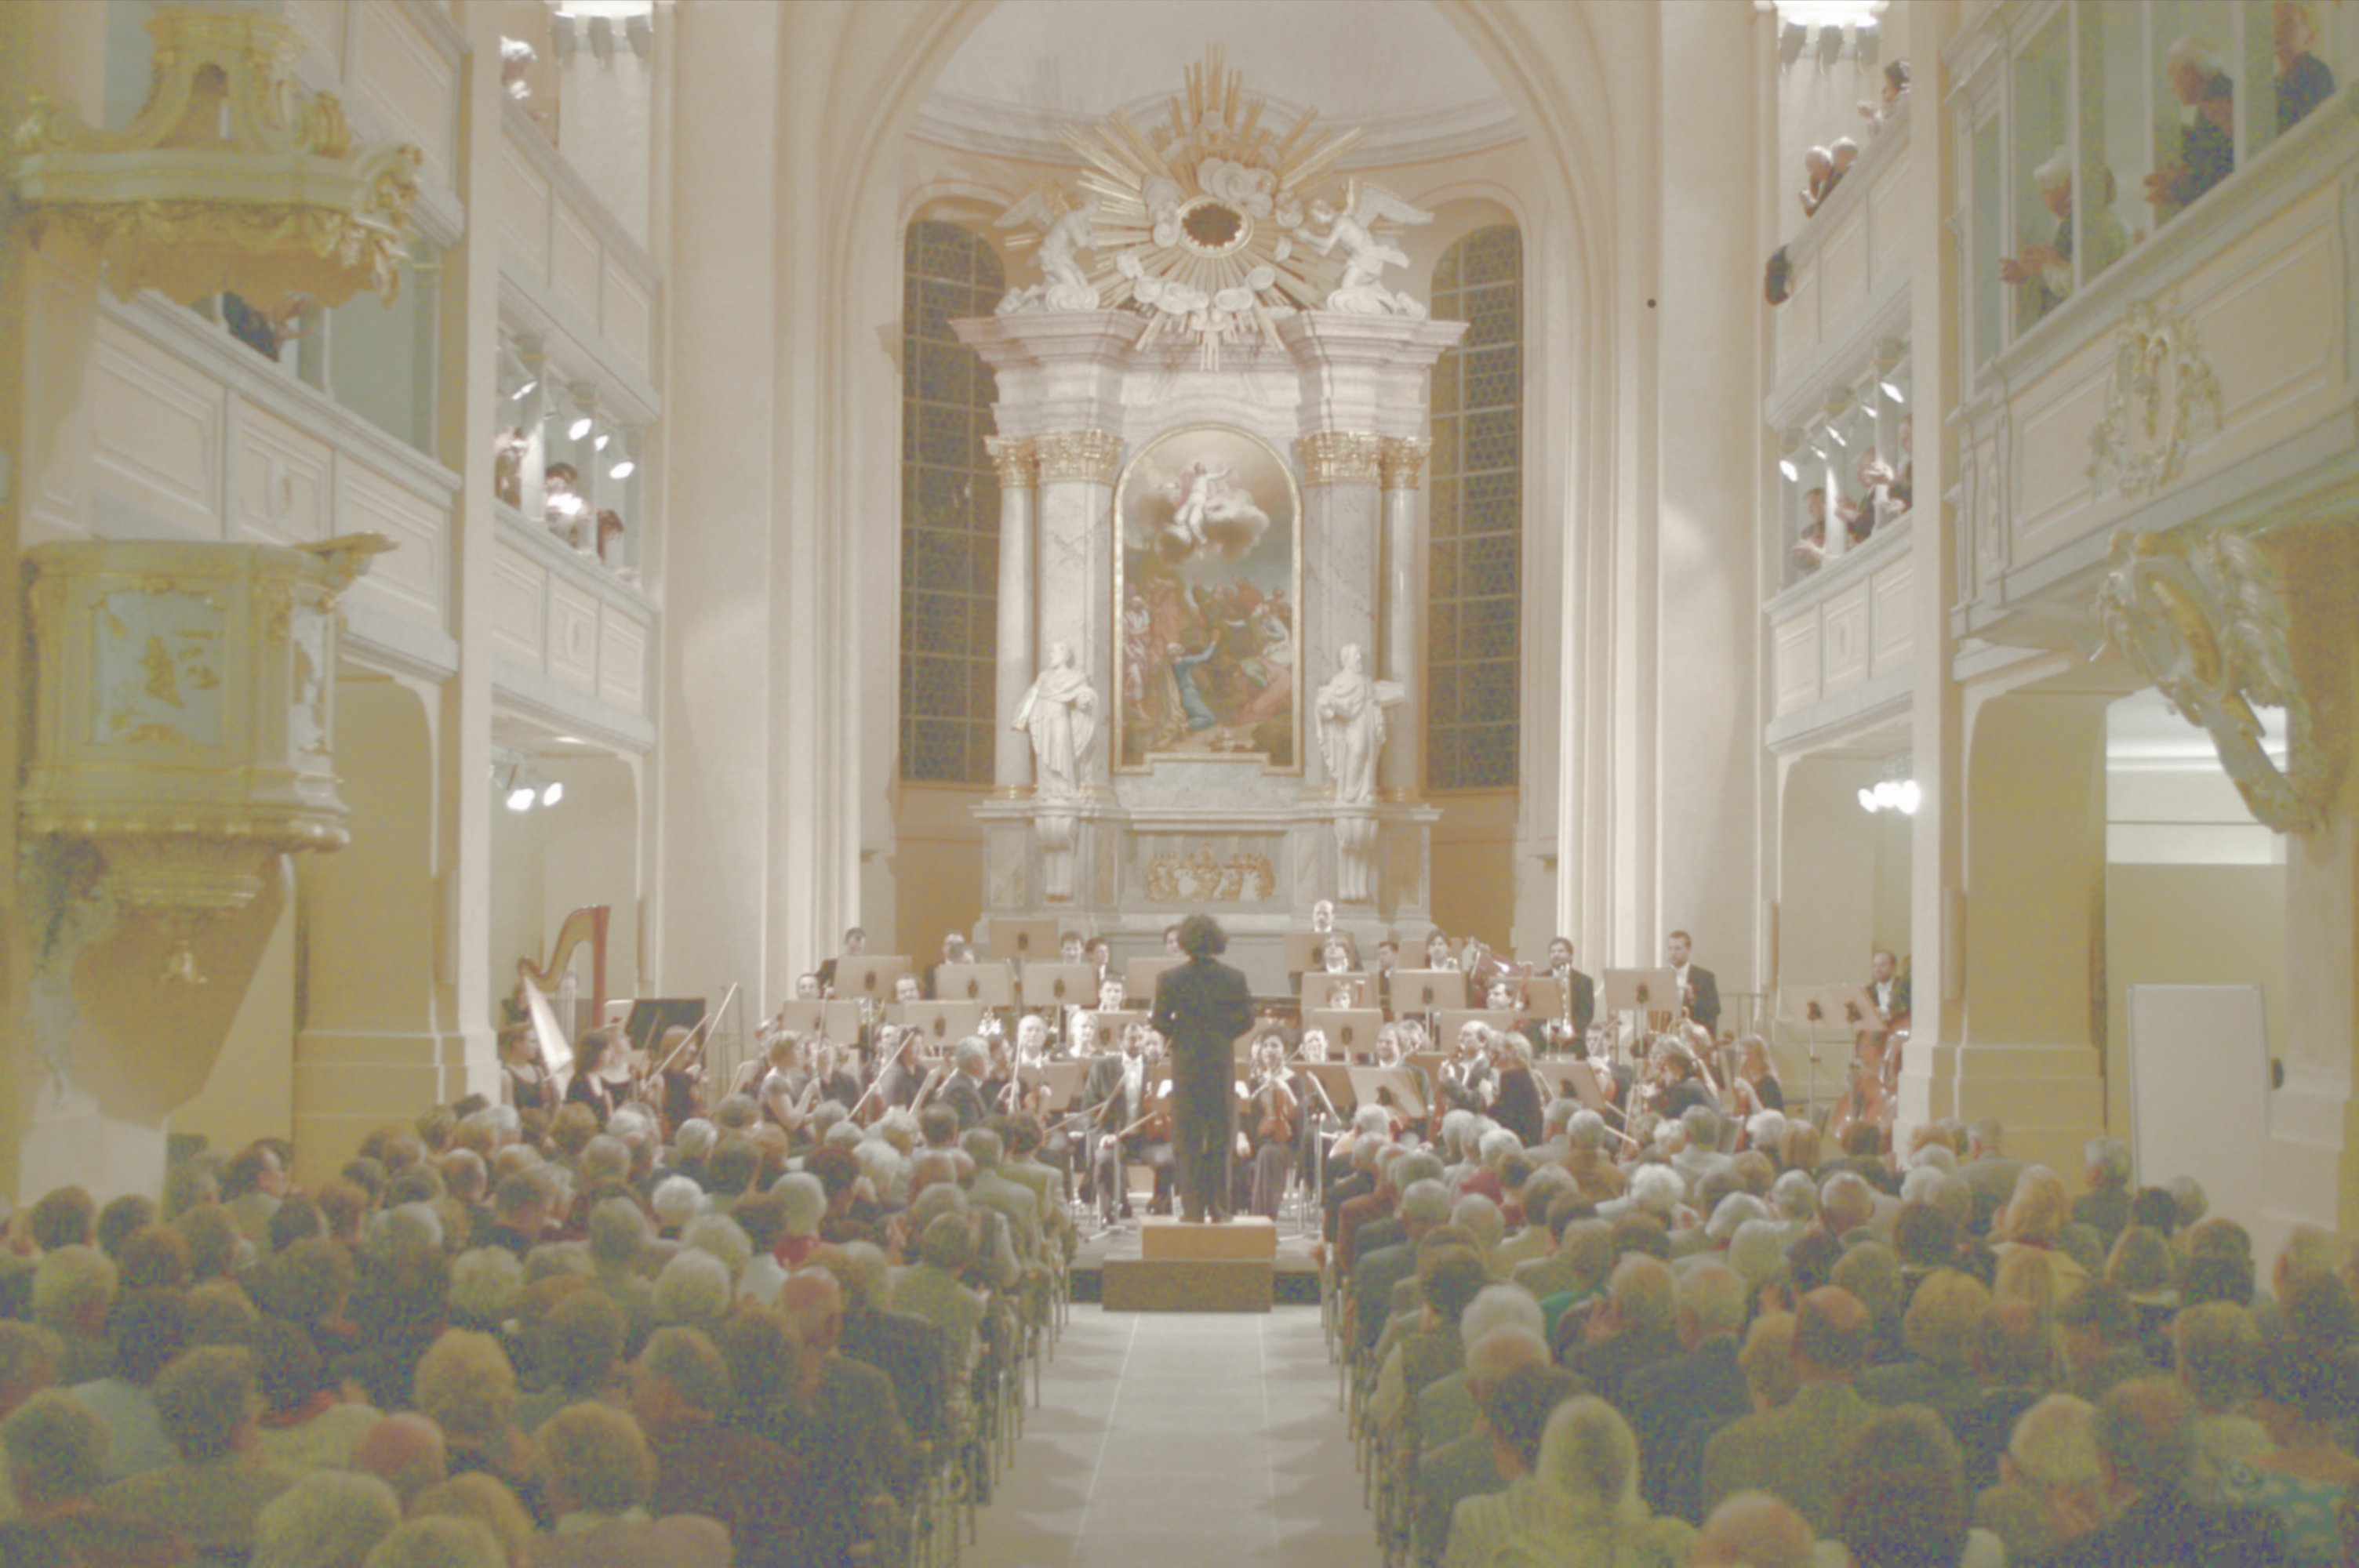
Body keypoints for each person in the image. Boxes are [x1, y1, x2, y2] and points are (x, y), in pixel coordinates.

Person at [2039, 1378, 2291, 1566]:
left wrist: (2086, 1548)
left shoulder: (2079, 1558)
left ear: (2105, 1462)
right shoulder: (2258, 1528)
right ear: (2191, 1450)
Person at [1152, 914, 1256, 1223]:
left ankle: (1192, 1209)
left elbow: (1158, 1021)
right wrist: (1222, 1033)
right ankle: (1220, 1209)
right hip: (1220, 1061)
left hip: (1185, 1064)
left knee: (1188, 1138)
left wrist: (1181, 1032)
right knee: (1221, 1136)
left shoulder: (1169, 979)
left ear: (1184, 942)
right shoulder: (1234, 978)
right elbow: (1248, 1019)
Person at [2223, 1344, 2359, 1565]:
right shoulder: (2353, 1484)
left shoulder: (2246, 1476)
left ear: (2287, 1409)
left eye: (2258, 1399)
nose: (2255, 1411)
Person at [2000, 151, 2127, 321]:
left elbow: (2071, 283)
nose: (2043, 199)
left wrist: (2045, 265)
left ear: (2065, 189)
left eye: (2047, 191)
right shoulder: (2105, 219)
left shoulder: (2082, 224)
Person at [2146, 38, 2237, 215]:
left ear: (2188, 72)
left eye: (2172, 74)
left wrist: (2175, 188)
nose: (2172, 87)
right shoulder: (2217, 95)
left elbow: (2214, 175)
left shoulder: (2216, 103)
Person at [2275, 2, 2335, 136]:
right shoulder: (2272, 82)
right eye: (2274, 23)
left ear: (2309, 33)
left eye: (2287, 23)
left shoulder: (2315, 74)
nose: (2277, 29)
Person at [1667, 930, 1720, 1035]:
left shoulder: (1705, 977)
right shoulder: (1660, 976)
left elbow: (1715, 1010)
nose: (1673, 953)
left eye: (1678, 948)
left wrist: (1692, 998)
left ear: (1689, 949)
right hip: (1667, 1036)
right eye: (1670, 948)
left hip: (1693, 1037)